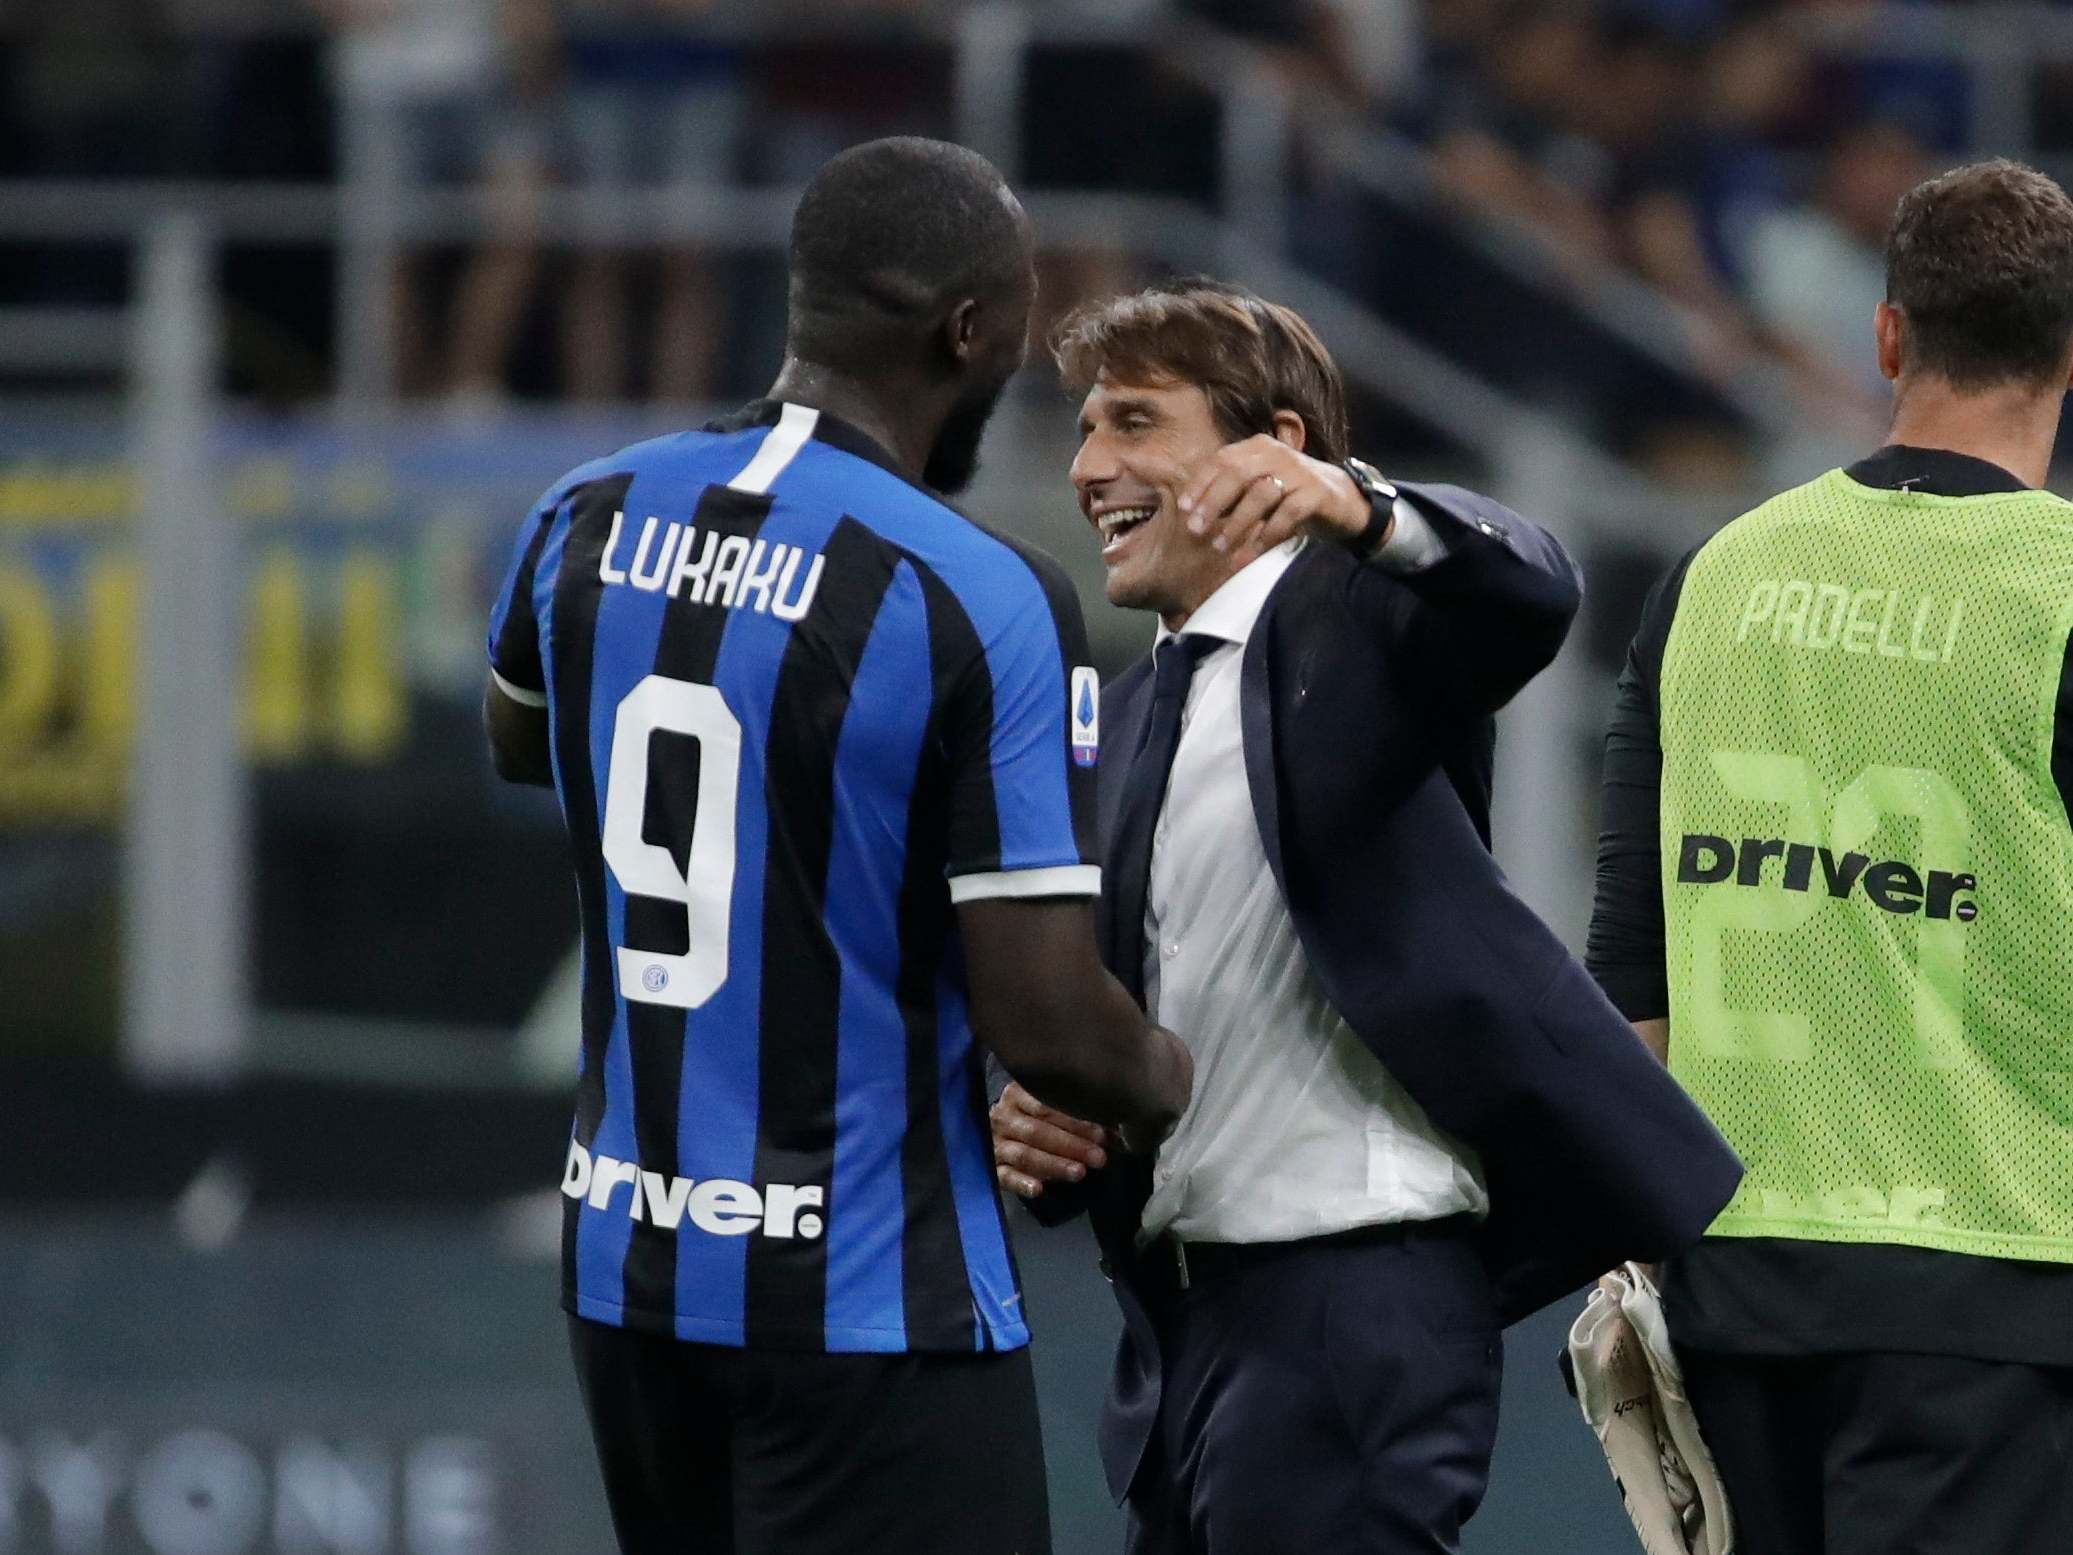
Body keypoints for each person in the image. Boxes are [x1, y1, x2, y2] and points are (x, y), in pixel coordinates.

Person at [483, 137, 1192, 1555]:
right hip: (872, 1301)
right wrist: (1192, 1083)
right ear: (970, 333)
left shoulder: (585, 510)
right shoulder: (978, 594)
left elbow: (521, 739)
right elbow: (1050, 1023)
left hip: (630, 1276)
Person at [991, 277, 1741, 1554]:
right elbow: (1148, 1012)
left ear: (1273, 449)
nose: (1087, 465)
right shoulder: (1115, 724)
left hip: (1352, 1298)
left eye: (1132, 422)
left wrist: (1365, 506)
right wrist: (1048, 1107)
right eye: (1082, 429)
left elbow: (1529, 586)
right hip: (1183, 1338)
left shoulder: (1361, 624)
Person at [1586, 159, 2073, 1555]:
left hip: (1732, 1284)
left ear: (1886, 334)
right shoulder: (2054, 599)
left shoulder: (1711, 576)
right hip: (1995, 1285)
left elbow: (1627, 976)